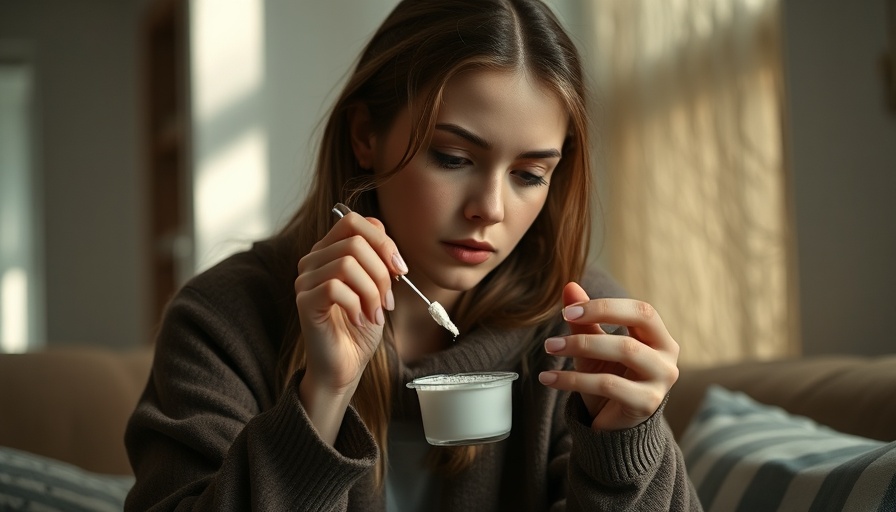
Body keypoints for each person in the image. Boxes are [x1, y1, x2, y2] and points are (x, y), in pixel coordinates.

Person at [124, 0, 702, 510]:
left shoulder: (579, 330)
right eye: (453, 157)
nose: (490, 209)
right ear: (365, 137)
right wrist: (320, 396)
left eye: (529, 173)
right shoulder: (222, 321)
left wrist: (628, 444)